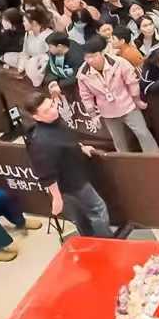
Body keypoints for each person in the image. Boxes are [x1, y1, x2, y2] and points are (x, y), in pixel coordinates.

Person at [25, 95, 112, 238]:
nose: (53, 110)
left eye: (52, 105)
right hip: (70, 182)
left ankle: (90, 239)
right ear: (37, 117)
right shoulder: (40, 142)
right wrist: (56, 197)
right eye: (47, 111)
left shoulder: (55, 121)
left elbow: (68, 140)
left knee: (81, 214)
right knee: (97, 208)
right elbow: (45, 173)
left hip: (77, 171)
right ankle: (105, 240)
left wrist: (81, 147)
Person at [77, 35, 159, 152]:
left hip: (128, 105)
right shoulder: (82, 74)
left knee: (143, 133)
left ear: (102, 53)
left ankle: (154, 158)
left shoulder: (119, 62)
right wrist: (93, 115)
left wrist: (136, 100)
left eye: (93, 56)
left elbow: (132, 82)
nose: (90, 60)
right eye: (87, 57)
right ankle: (124, 161)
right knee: (118, 140)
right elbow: (86, 96)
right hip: (107, 112)